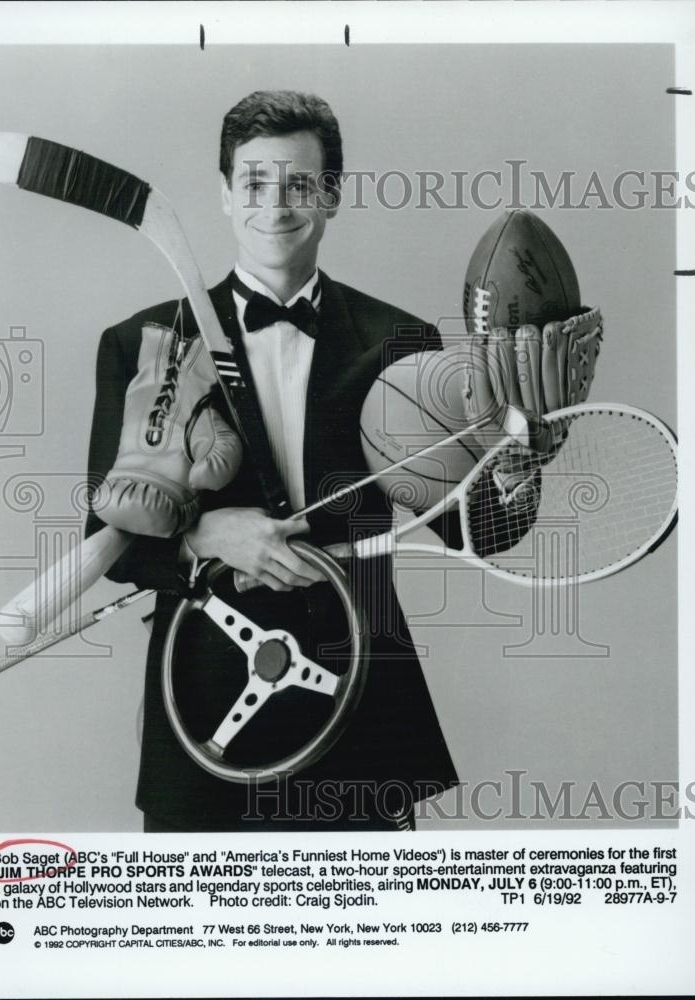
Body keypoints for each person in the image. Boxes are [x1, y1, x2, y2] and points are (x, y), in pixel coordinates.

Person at [86, 90, 527, 833]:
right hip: (204, 702)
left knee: (368, 942)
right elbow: (106, 544)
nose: (276, 204)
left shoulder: (403, 341)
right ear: (226, 194)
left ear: (331, 195)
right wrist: (201, 538)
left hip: (362, 706)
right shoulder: (146, 342)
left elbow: (472, 530)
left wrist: (518, 462)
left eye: (299, 183)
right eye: (254, 182)